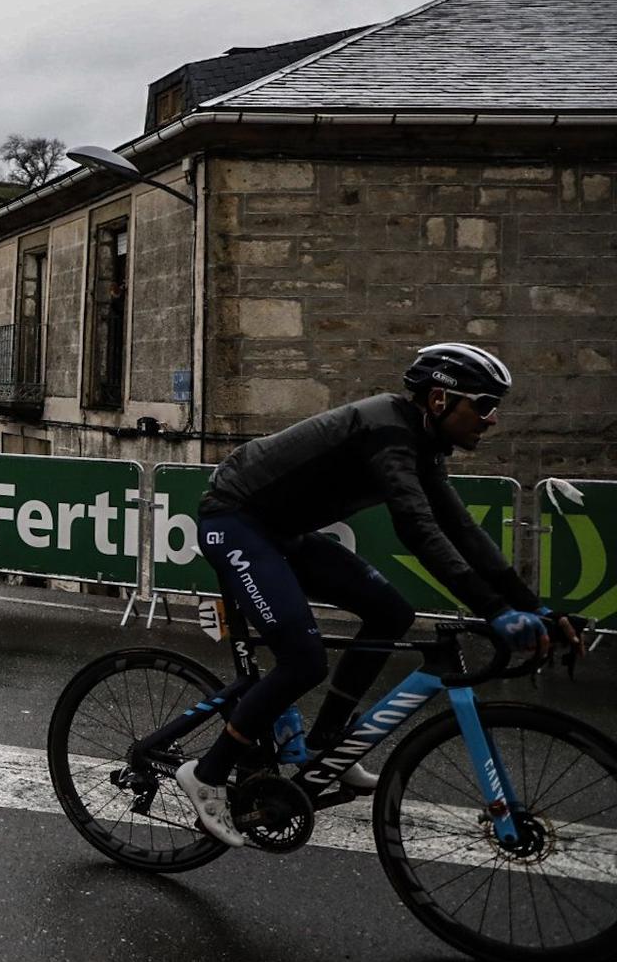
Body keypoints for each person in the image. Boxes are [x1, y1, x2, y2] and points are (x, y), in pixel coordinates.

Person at [176, 342, 579, 848]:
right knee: (302, 661)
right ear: (439, 399)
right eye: (483, 404)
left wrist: (531, 606)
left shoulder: (422, 442)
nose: (492, 419)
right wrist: (493, 610)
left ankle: (327, 743)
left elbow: (462, 530)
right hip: (234, 520)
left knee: (391, 612)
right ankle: (207, 774)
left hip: (283, 533)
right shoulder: (386, 430)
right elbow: (416, 528)